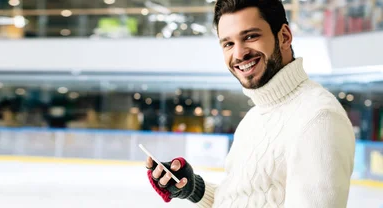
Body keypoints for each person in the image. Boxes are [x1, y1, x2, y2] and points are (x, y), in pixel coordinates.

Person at [145, 0, 356, 207]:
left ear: (284, 36)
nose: (239, 54)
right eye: (228, 43)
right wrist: (194, 189)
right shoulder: (254, 117)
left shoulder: (318, 118)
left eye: (250, 36)